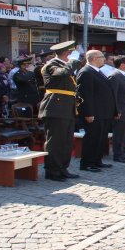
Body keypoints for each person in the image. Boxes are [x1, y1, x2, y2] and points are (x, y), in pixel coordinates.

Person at [38, 41, 81, 181]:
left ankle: (63, 168)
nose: (71, 56)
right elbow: (62, 74)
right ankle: (52, 171)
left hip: (67, 106)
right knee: (55, 141)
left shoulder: (64, 64)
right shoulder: (50, 65)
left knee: (67, 141)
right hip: (55, 106)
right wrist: (73, 60)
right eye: (70, 53)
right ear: (67, 52)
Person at [77, 50, 117, 172]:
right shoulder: (86, 72)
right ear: (94, 58)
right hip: (94, 113)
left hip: (104, 112)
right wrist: (88, 113)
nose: (104, 59)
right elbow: (86, 95)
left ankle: (97, 160)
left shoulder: (97, 71)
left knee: (101, 138)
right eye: (102, 57)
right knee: (92, 138)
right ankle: (87, 163)